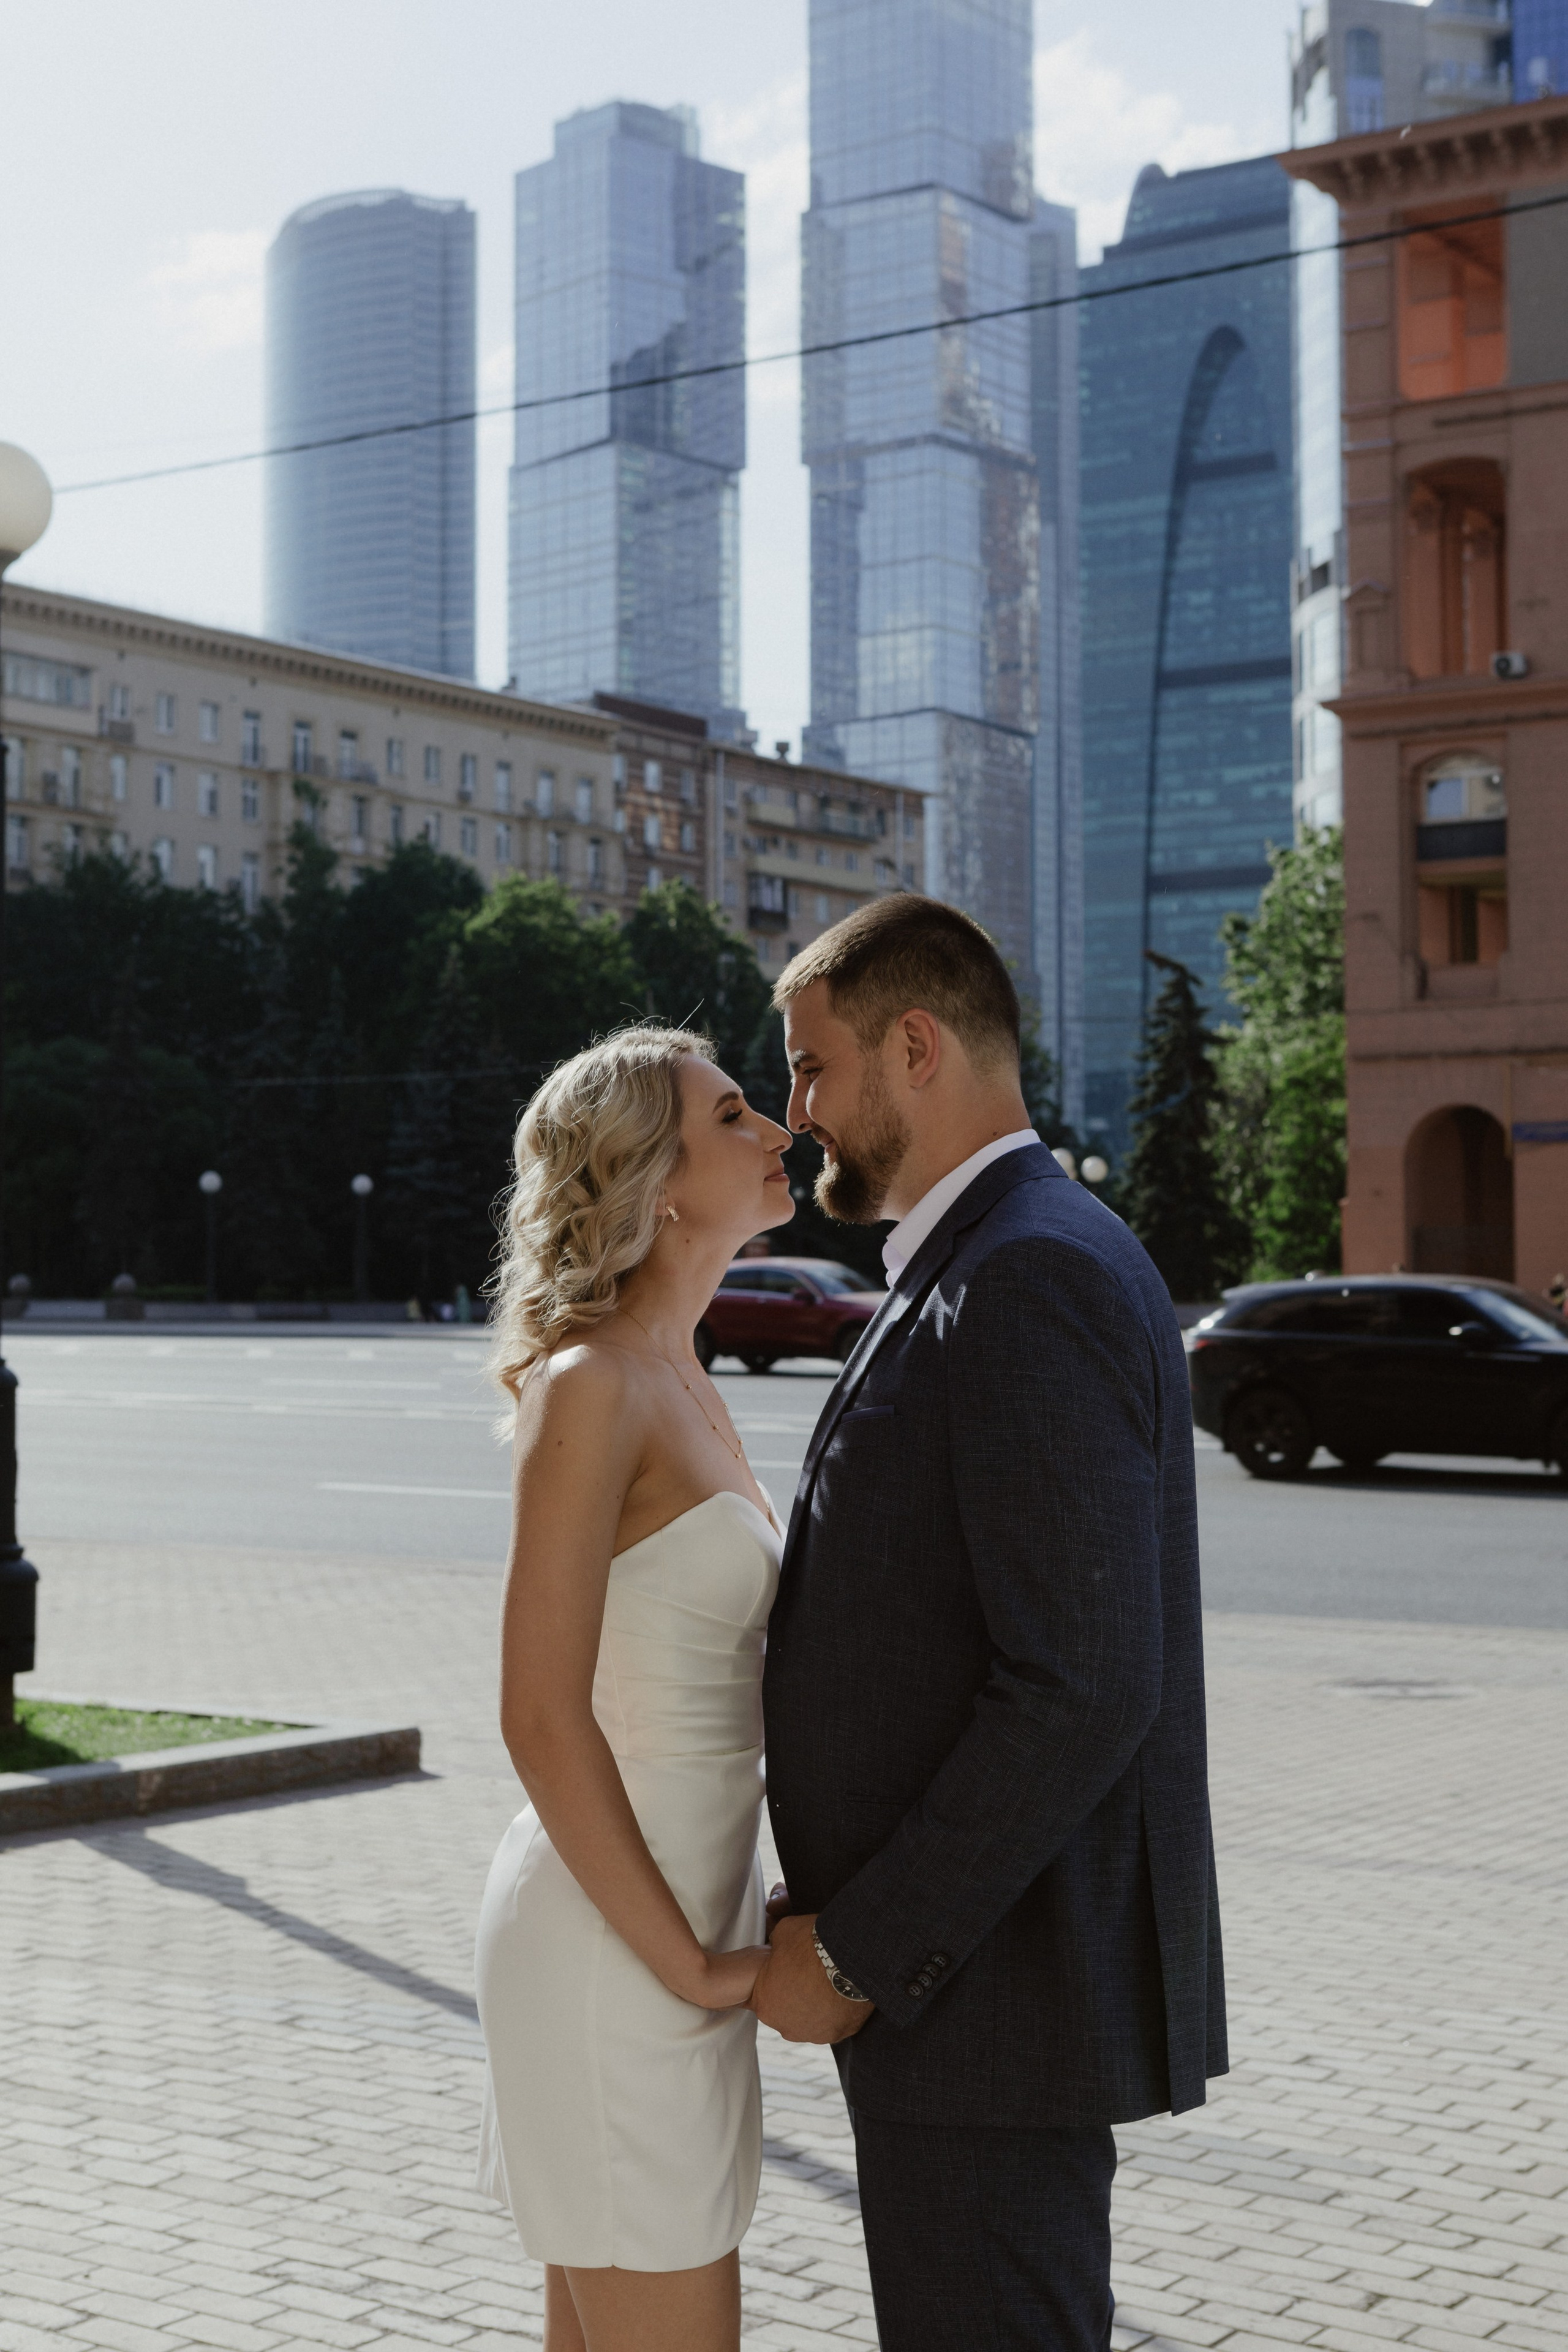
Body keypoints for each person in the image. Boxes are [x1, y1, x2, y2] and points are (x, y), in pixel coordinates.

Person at [753, 895, 1228, 2352]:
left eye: (812, 1069)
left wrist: (857, 1953)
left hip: (979, 1997)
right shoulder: (994, 1255)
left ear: (914, 1047)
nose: (796, 1115)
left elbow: (1082, 1683)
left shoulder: (1025, 1272)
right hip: (965, 1992)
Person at [474, 1025, 797, 2352]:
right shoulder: (590, 1382)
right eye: (734, 1116)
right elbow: (537, 1717)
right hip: (621, 1954)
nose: (778, 1129)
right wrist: (697, 1972)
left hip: (682, 1933)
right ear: (656, 1179)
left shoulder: (682, 1372)